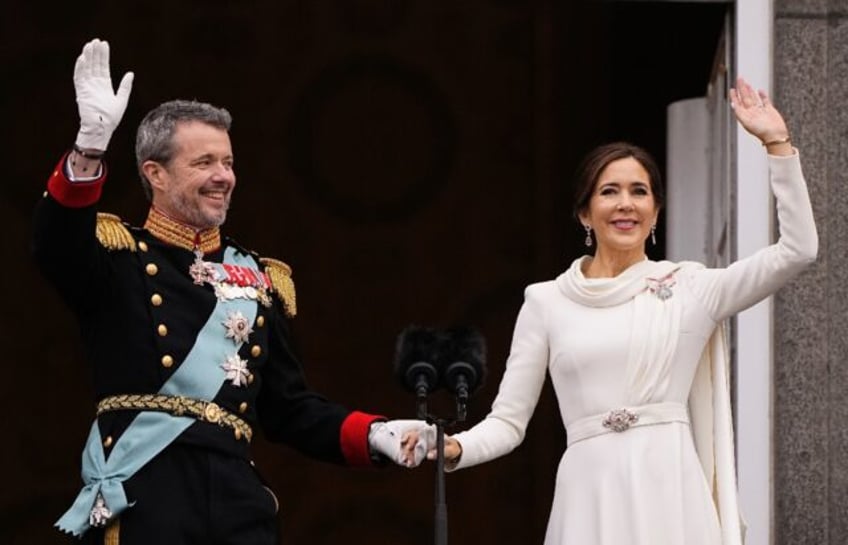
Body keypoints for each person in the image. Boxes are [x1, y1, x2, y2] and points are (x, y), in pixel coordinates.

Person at [32, 38, 434, 545]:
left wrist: (375, 433)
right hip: (145, 496)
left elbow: (289, 409)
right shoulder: (118, 258)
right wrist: (90, 147)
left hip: (237, 506)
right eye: (204, 163)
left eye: (228, 162)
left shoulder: (260, 280)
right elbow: (54, 245)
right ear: (155, 173)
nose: (223, 177)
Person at [434, 77, 818, 545]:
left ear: (656, 212)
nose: (625, 204)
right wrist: (452, 447)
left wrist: (777, 144)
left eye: (639, 192)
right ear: (584, 212)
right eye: (609, 191)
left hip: (671, 493)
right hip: (589, 496)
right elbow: (508, 423)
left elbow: (798, 250)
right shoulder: (546, 301)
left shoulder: (691, 287)